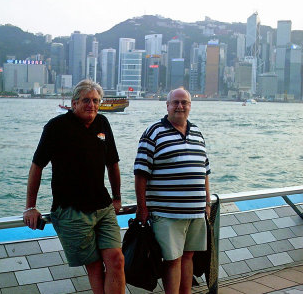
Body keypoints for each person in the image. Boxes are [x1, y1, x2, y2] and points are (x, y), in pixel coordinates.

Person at [23, 79, 125, 294]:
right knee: (95, 267)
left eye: (96, 101)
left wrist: (117, 197)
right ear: (74, 103)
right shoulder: (56, 127)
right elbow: (37, 166)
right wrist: (30, 207)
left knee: (117, 260)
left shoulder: (103, 123)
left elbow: (112, 164)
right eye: (86, 100)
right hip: (71, 210)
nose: (92, 105)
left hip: (103, 207)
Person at [134, 88, 211, 294]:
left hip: (195, 213)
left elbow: (205, 172)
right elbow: (141, 174)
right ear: (167, 105)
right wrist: (142, 207)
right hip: (167, 213)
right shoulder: (153, 132)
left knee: (188, 257)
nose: (180, 106)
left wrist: (207, 204)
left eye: (184, 102)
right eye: (175, 102)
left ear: (190, 106)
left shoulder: (197, 133)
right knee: (172, 260)